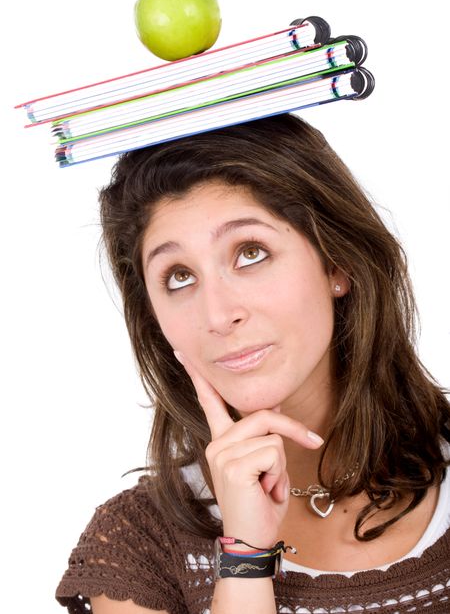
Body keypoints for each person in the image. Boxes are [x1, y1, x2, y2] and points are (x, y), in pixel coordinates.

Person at [55, 113, 450, 614]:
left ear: (338, 263)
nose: (218, 315)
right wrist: (245, 556)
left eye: (250, 252)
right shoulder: (139, 547)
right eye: (178, 277)